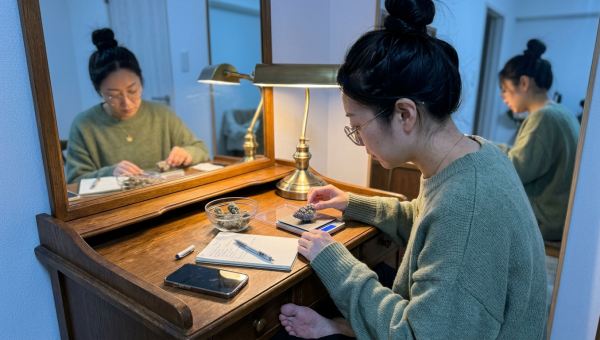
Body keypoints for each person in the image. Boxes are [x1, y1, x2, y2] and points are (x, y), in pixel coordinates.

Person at [276, 0, 547, 339]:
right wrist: (354, 203)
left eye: (357, 126)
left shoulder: (468, 206)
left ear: (404, 114)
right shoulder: (477, 154)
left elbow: (419, 335)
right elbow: (427, 222)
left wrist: (336, 263)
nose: (357, 138)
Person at [66, 28, 210, 184]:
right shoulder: (84, 125)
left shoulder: (161, 114)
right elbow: (75, 181)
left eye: (132, 91)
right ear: (97, 89)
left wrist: (187, 153)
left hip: (164, 197)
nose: (126, 102)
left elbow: (201, 150)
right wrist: (110, 172)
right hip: (118, 205)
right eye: (114, 95)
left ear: (141, 80)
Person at [496, 39, 580, 242]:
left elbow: (515, 169)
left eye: (505, 90)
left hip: (546, 224)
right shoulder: (561, 112)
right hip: (560, 220)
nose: (504, 98)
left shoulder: (543, 118)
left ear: (524, 83)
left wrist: (478, 146)